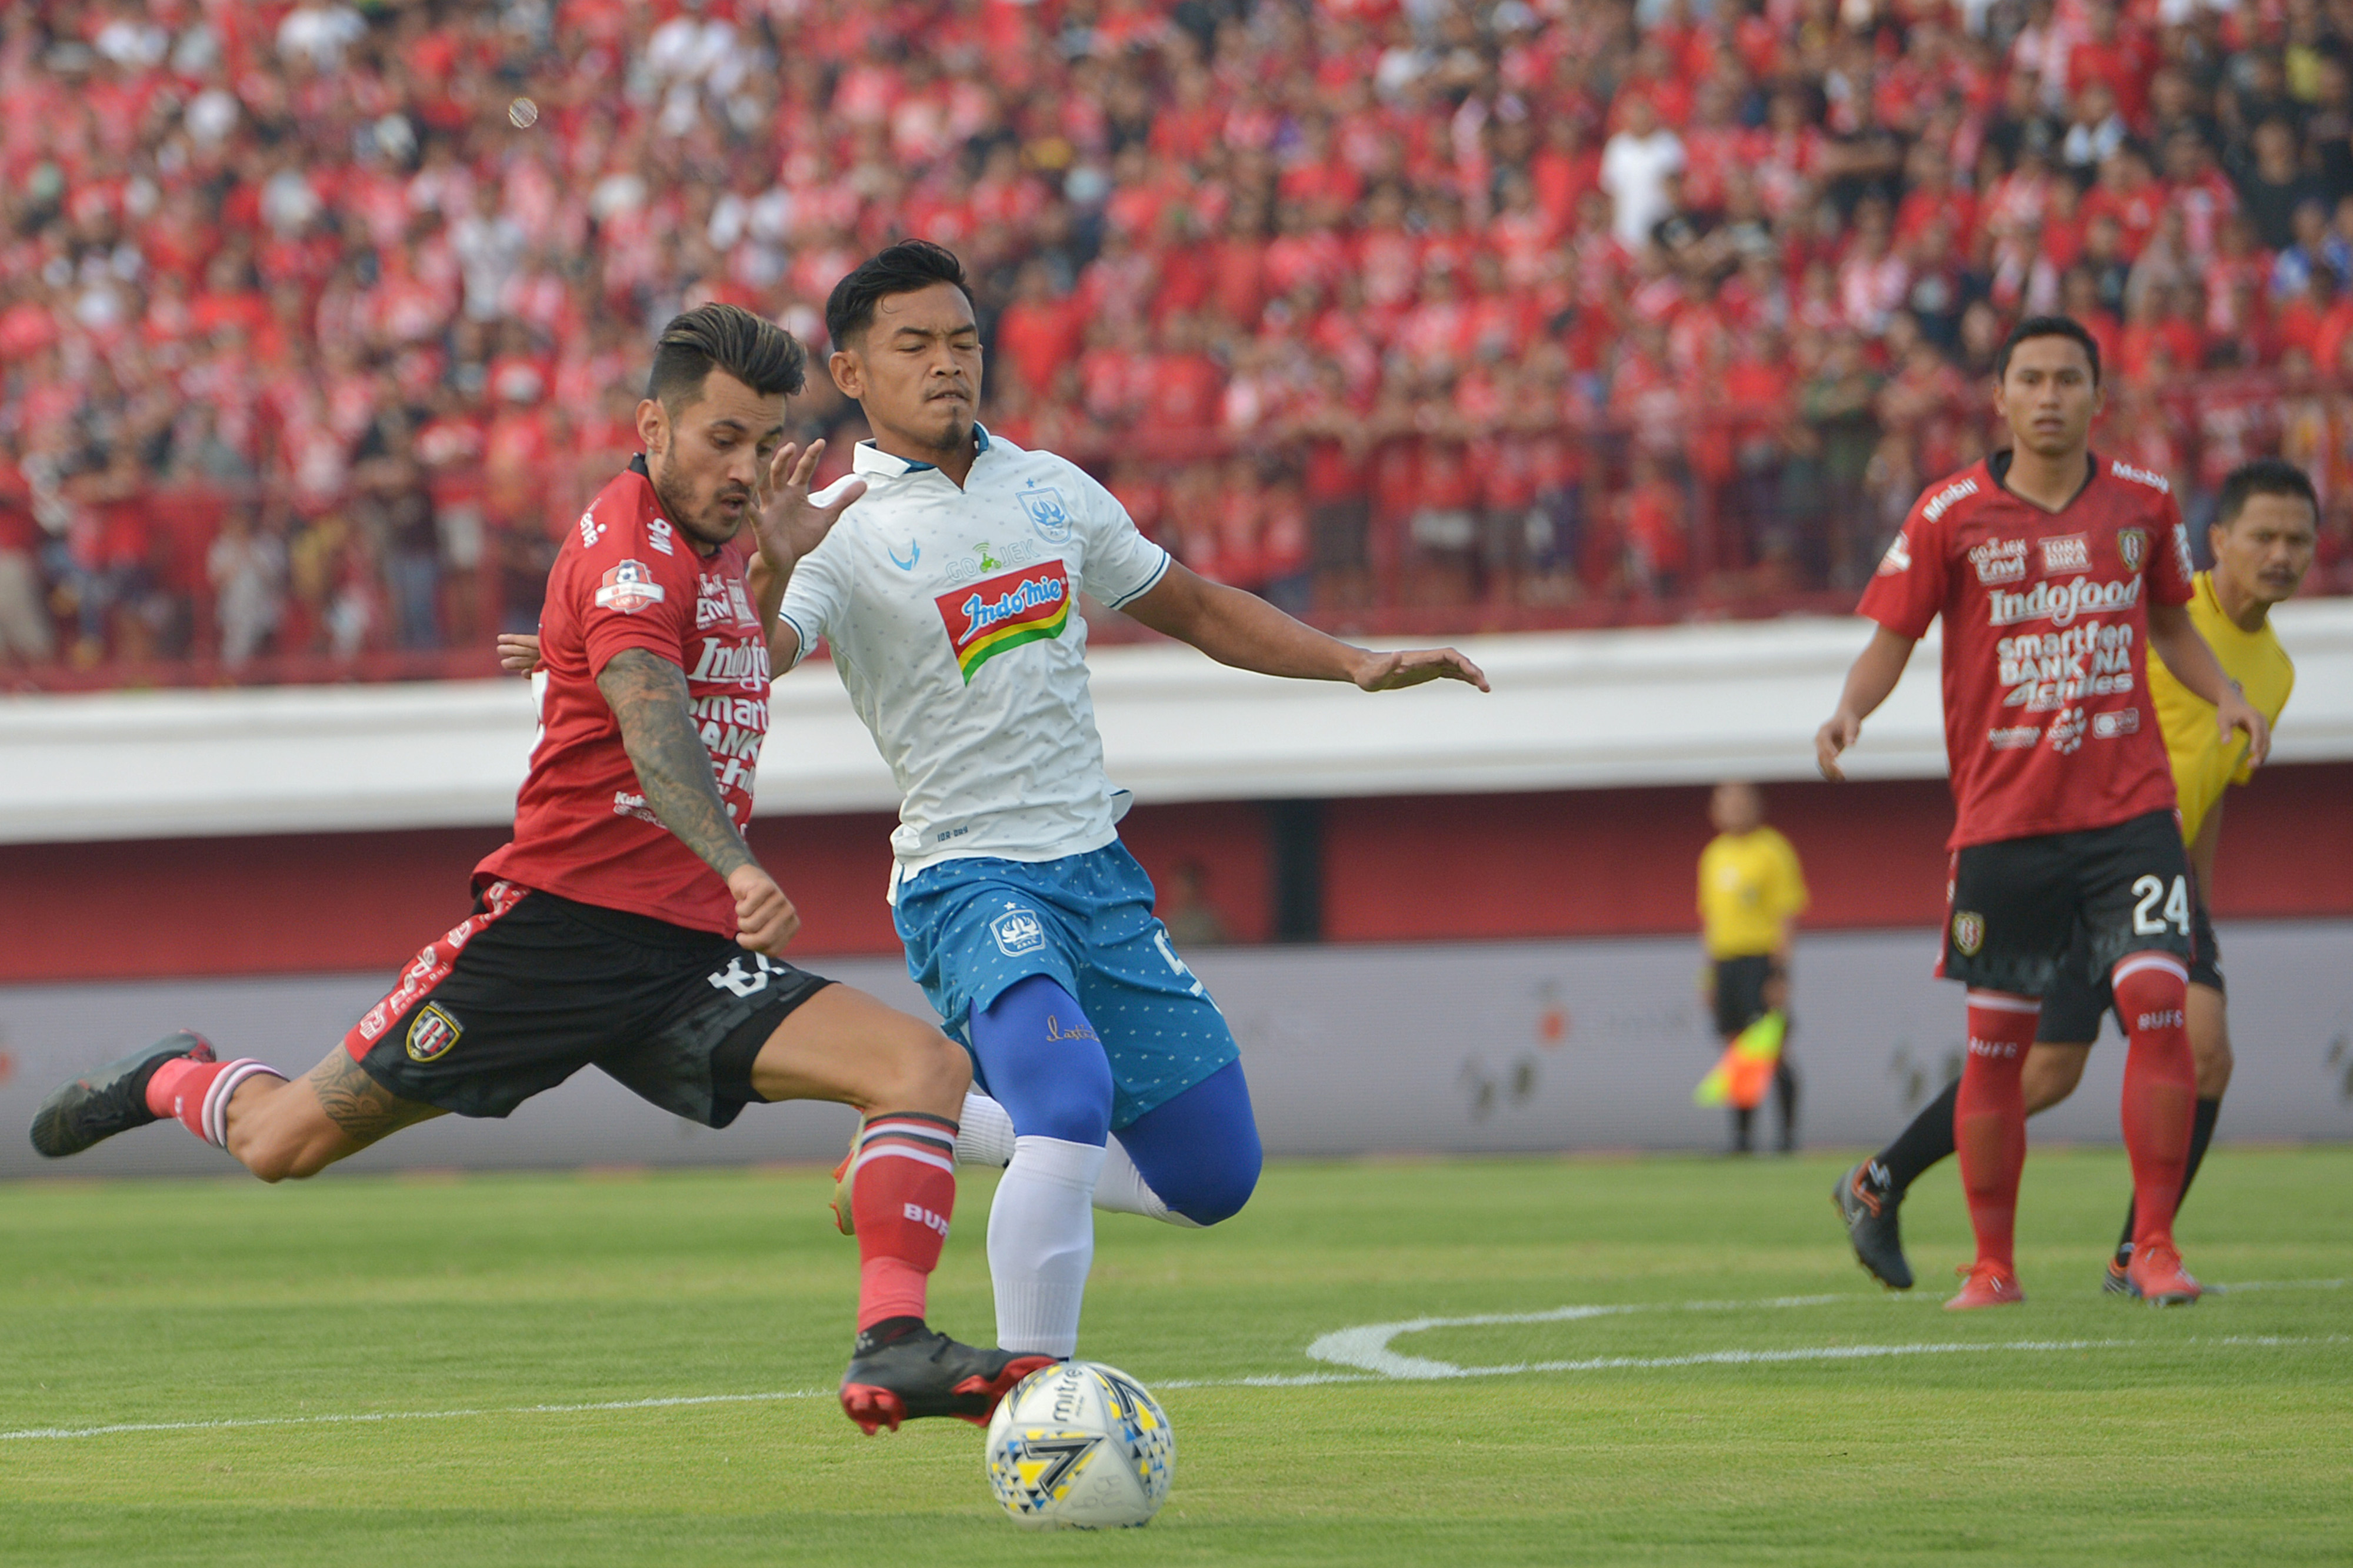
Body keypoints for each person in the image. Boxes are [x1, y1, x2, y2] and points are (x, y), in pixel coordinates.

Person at [29, 305, 1047, 1434]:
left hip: (680, 960)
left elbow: (719, 675)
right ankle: (171, 1075)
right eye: (721, 440)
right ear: (652, 426)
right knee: (283, 1145)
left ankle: (893, 1343)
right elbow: (656, 731)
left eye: (763, 444)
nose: (745, 468)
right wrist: (738, 864)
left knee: (920, 1066)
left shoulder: (719, 553)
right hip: (555, 936)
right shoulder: (627, 546)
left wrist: (774, 564)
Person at [515, 242, 1489, 1363]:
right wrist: (736, 580)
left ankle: (941, 1125)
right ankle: (1038, 1394)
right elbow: (750, 655)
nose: (948, 365)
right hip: (966, 874)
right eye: (914, 346)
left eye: (963, 342)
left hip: (1097, 873)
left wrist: (1353, 663)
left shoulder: (1052, 488)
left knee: (1216, 1176)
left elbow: (1200, 607)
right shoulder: (837, 520)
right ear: (852, 373)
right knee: (1068, 1101)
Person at [1813, 315, 2269, 1310]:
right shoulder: (1949, 512)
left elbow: (2170, 624)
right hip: (2003, 825)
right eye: (2033, 378)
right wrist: (1851, 706)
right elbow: (1893, 634)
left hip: (2130, 816)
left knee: (2159, 1010)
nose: (2052, 394)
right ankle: (1992, 1266)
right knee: (2004, 1052)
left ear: (2098, 399)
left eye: (2071, 379)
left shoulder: (2144, 503)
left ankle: (2151, 1247)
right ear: (2003, 397)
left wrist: (2225, 693)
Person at [1697, 781, 1808, 1153]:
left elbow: (1785, 917)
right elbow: (1711, 921)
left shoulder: (1773, 850)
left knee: (1771, 1050)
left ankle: (1787, 1139)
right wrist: (1709, 976)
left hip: (1760, 961)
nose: (1732, 810)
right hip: (1725, 962)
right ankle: (1742, 1141)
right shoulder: (1713, 855)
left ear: (1756, 807)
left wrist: (1779, 975)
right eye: (1725, 804)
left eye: (1740, 803)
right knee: (1737, 1053)